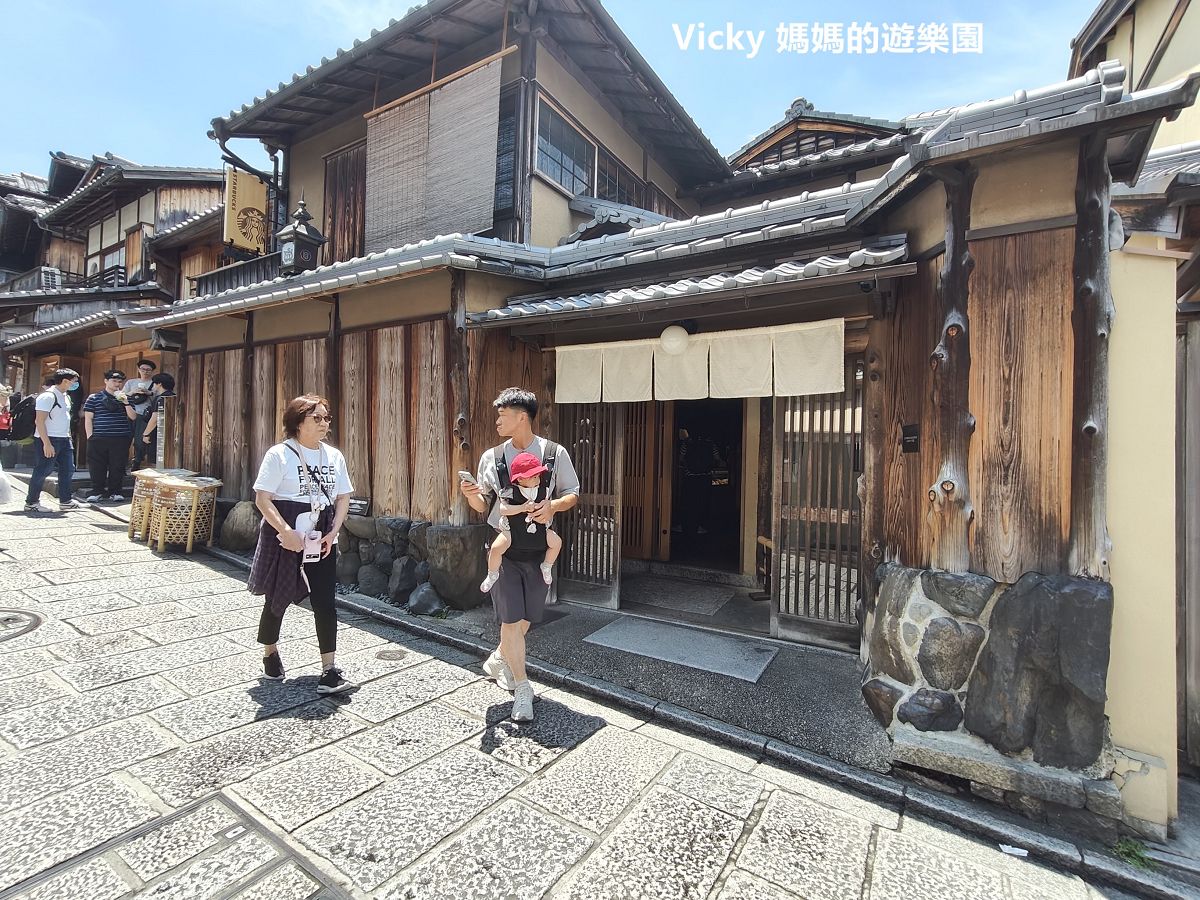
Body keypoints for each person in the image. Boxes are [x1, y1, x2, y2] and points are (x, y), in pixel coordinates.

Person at [460, 387, 580, 723]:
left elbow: (572, 493)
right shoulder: (491, 457)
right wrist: (471, 495)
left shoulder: (554, 453)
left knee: (527, 617)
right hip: (505, 546)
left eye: (502, 414)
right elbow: (483, 504)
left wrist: (551, 506)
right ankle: (523, 687)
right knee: (511, 620)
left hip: (539, 548)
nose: (497, 420)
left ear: (522, 417)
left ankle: (501, 657)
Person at [248, 394, 354, 695]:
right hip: (285, 531)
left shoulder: (333, 456)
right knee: (277, 595)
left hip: (320, 533)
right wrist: (285, 531)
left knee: (325, 600)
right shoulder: (279, 455)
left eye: (326, 417)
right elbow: (263, 498)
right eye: (316, 418)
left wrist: (333, 531)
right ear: (298, 423)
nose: (324, 423)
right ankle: (270, 651)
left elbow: (343, 496)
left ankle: (329, 668)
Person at [479, 451, 562, 592]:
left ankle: (547, 566)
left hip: (539, 529)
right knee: (496, 548)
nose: (538, 480)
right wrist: (522, 507)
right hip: (512, 530)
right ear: (521, 479)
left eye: (538, 476)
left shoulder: (543, 490)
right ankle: (492, 573)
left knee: (557, 542)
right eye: (534, 477)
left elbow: (548, 505)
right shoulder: (510, 491)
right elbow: (503, 509)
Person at [24, 368, 82, 514]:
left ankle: (65, 500)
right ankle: (32, 502)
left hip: (64, 438)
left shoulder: (66, 396)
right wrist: (46, 443)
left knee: (68, 469)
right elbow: (40, 421)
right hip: (49, 438)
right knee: (43, 470)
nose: (76, 384)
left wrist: (68, 436)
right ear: (65, 381)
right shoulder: (48, 396)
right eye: (74, 381)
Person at [82, 370, 137, 502]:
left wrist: (126, 402)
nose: (117, 384)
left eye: (119, 382)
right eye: (114, 381)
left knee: (117, 466)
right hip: (98, 437)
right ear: (106, 381)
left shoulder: (126, 398)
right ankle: (97, 491)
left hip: (120, 437)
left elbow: (133, 416)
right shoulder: (94, 398)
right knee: (97, 466)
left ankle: (116, 491)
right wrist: (90, 436)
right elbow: (88, 418)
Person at [138, 373, 176, 465]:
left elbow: (155, 418)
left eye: (154, 383)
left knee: (156, 459)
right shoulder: (174, 396)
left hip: (158, 433)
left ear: (159, 384)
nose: (153, 386)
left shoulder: (160, 398)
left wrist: (146, 434)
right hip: (174, 432)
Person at [127, 360, 156, 469]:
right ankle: (122, 466)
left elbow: (158, 397)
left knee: (140, 441)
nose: (145, 372)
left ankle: (137, 462)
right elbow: (122, 396)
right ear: (139, 369)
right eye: (143, 369)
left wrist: (149, 393)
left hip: (144, 415)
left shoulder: (154, 383)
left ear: (152, 371)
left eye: (148, 370)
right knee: (125, 440)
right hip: (130, 413)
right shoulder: (131, 382)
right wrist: (132, 392)